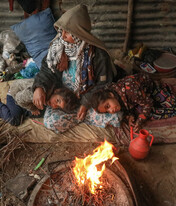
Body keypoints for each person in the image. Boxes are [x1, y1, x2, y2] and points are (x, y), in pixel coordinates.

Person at [32, 4, 122, 133]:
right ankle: (83, 118)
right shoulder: (57, 48)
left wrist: (86, 104)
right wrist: (39, 87)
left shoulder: (98, 55)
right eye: (62, 30)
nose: (63, 36)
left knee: (116, 117)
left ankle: (82, 116)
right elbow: (47, 71)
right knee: (51, 122)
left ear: (79, 33)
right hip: (63, 100)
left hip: (90, 101)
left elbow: (104, 84)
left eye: (68, 32)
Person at [90, 73, 176, 132]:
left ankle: (162, 84)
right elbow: (126, 107)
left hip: (149, 88)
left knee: (158, 110)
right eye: (107, 111)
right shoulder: (116, 97)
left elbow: (148, 103)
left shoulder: (131, 92)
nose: (111, 111)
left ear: (111, 95)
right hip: (138, 97)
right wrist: (130, 117)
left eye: (108, 106)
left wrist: (140, 121)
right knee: (137, 112)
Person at [0, 79, 79, 126]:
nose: (54, 105)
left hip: (27, 101)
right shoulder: (36, 94)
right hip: (15, 95)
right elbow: (19, 98)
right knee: (14, 120)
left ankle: (23, 111)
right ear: (56, 91)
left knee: (40, 112)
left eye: (58, 106)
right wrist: (32, 108)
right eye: (57, 101)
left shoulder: (52, 97)